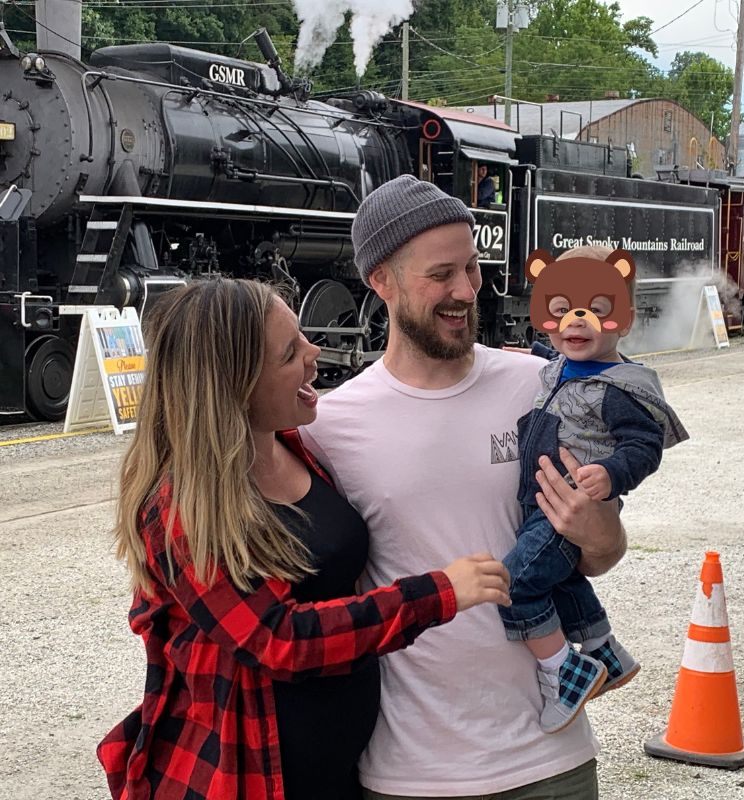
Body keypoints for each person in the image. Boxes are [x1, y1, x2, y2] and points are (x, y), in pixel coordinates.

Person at [96, 278, 511, 800]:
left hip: (340, 774)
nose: (315, 353)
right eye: (290, 351)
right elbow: (277, 639)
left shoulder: (295, 446)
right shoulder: (180, 507)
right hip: (246, 774)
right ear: (233, 382)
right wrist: (437, 594)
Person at [301, 175, 626, 799]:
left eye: (472, 269)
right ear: (381, 281)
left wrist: (602, 531)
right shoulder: (333, 426)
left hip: (549, 759)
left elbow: (602, 552)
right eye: (440, 274)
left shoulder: (541, 385)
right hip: (409, 771)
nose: (464, 291)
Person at [499, 245, 689, 735]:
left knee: (514, 584)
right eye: (561, 311)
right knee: (560, 581)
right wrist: (524, 353)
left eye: (596, 311)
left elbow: (644, 445)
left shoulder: (620, 388)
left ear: (622, 321)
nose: (575, 323)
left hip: (568, 508)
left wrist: (610, 474)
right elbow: (559, 364)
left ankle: (564, 669)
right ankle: (605, 649)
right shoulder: (567, 365)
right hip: (545, 504)